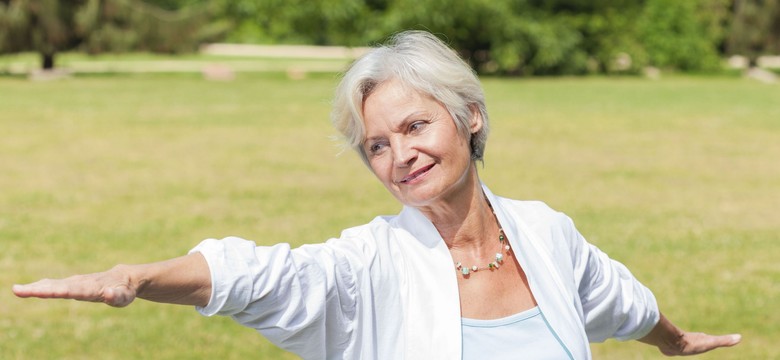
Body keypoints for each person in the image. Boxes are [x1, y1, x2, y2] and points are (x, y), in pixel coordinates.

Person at [13, 30, 741, 359]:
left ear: (470, 115)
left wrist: (677, 342)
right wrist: (136, 279)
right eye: (377, 144)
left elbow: (617, 299)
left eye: (416, 125)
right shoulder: (371, 264)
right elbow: (257, 275)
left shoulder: (546, 234)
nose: (401, 156)